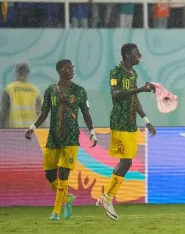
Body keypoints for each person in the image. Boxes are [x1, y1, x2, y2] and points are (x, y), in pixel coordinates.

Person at [24, 59, 98, 221]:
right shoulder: (51, 90)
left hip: (71, 138)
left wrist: (92, 131)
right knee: (50, 174)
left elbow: (86, 113)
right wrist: (33, 127)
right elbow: (44, 113)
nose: (72, 70)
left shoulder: (79, 91)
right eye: (68, 68)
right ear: (60, 70)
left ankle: (56, 211)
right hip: (54, 138)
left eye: (72, 68)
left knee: (63, 172)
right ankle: (67, 198)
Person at [97, 43, 157, 221]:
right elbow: (116, 94)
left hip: (131, 123)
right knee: (126, 162)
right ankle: (107, 199)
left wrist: (146, 121)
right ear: (127, 55)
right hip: (120, 121)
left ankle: (106, 197)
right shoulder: (116, 72)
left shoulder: (133, 73)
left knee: (127, 162)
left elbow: (134, 97)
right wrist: (140, 89)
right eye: (136, 53)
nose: (140, 55)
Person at [1, 62, 41, 128]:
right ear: (28, 73)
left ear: (16, 72)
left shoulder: (9, 89)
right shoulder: (35, 90)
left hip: (13, 131)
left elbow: (3, 113)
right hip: (31, 132)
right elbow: (41, 114)